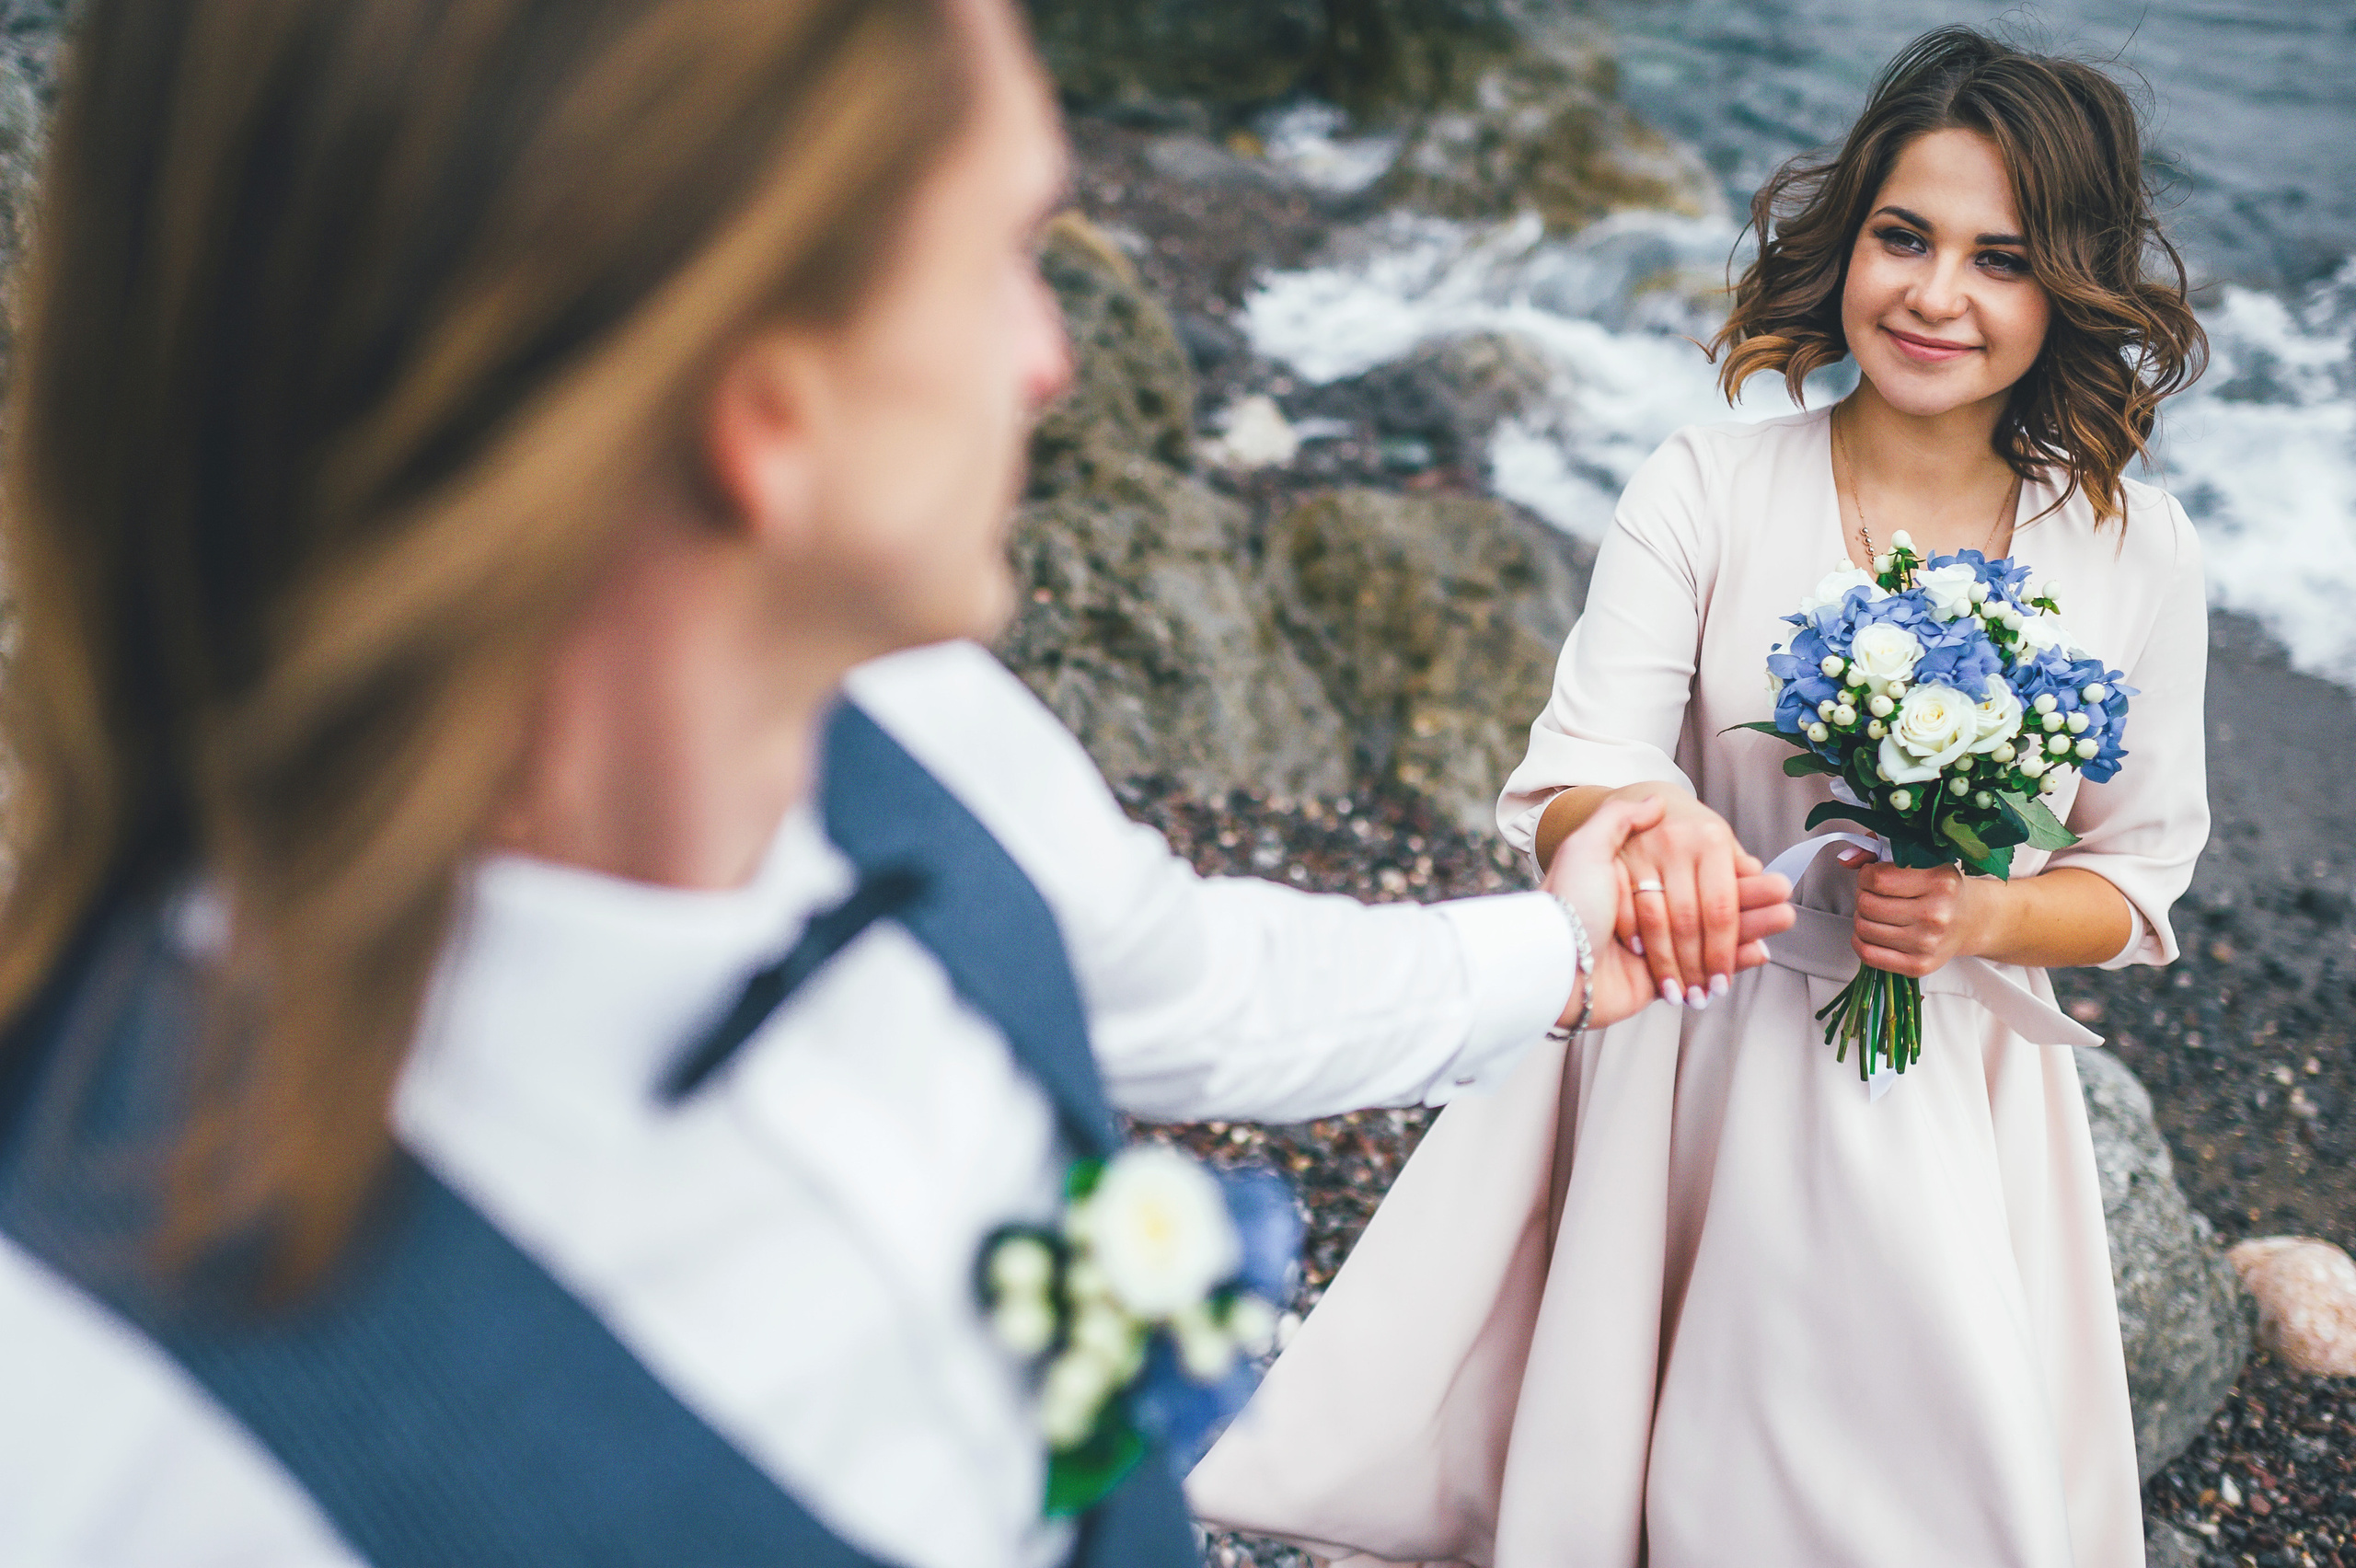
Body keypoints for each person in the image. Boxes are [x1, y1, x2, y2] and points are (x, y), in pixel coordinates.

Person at [0, 3, 1796, 1566]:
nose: (1055, 358)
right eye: (1007, 252)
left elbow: (1185, 988)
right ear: (759, 408)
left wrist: (1560, 955)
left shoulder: (916, 723)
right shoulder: (116, 1434)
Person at [1190, 27, 2210, 1568]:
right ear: (1847, 236)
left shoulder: (2135, 551)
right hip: (1690, 1051)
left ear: (2069, 285)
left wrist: (1981, 908)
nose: (1937, 295)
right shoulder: (1708, 483)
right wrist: (1638, 830)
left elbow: (2141, 880)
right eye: (1904, 236)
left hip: (1945, 1099)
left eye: (2001, 258)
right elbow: (1570, 771)